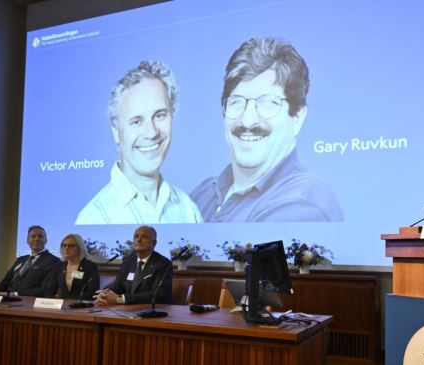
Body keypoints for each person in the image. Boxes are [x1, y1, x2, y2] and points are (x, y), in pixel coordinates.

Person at [190, 37, 344, 222]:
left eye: (268, 103)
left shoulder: (302, 203)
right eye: (236, 102)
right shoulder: (203, 194)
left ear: (297, 117)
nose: (248, 121)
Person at [76, 60, 203, 224]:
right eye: (136, 121)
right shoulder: (94, 218)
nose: (151, 132)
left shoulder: (187, 209)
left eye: (160, 115)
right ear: (116, 131)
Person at [95, 225, 172, 305]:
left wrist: (122, 299)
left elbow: (157, 295)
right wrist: (105, 295)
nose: (139, 240)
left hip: (152, 309)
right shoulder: (127, 262)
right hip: (127, 309)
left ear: (154, 243)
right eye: (136, 236)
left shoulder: (163, 264)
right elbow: (117, 288)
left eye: (144, 237)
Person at [0, 225, 59, 297]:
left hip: (30, 301)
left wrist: (16, 294)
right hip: (8, 300)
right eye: (33, 236)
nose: (36, 239)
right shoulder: (20, 259)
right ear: (27, 240)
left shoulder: (54, 261)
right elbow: (6, 281)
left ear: (46, 241)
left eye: (40, 236)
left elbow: (46, 289)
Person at [45, 234, 100, 300]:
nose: (66, 248)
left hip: (82, 304)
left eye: (71, 245)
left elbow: (92, 291)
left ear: (80, 248)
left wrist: (74, 302)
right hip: (63, 304)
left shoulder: (90, 266)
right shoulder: (59, 266)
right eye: (64, 245)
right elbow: (50, 290)